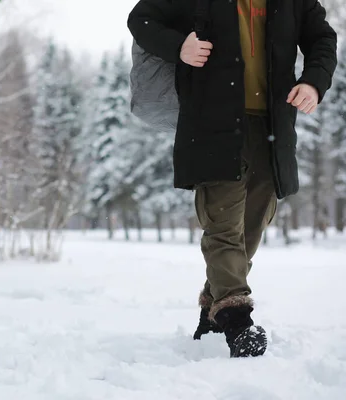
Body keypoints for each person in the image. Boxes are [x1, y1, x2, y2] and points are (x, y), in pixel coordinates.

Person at [128, 0, 337, 357]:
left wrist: (314, 83)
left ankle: (212, 314)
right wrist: (179, 46)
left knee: (250, 227)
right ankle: (236, 318)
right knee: (223, 223)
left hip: (272, 125)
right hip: (212, 124)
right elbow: (141, 19)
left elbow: (322, 37)